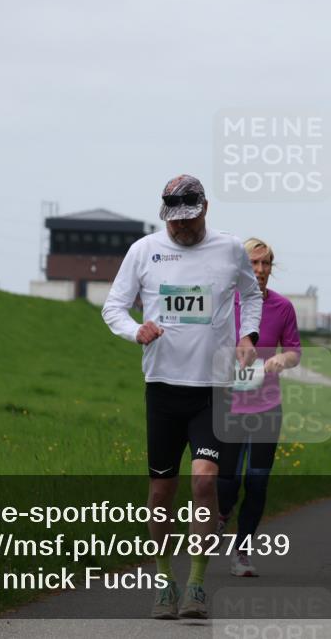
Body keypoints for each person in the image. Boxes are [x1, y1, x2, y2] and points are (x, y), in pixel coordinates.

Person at [101, 174, 262, 620]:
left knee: (205, 481)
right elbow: (113, 307)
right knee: (161, 491)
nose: (180, 227)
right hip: (163, 386)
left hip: (213, 386)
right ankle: (163, 581)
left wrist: (248, 335)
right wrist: (136, 330)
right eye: (173, 221)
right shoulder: (144, 250)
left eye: (188, 219)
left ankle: (196, 583)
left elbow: (251, 295)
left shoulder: (230, 249)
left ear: (205, 209)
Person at [217, 238, 300, 577]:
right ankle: (222, 514)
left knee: (257, 481)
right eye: (254, 263)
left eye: (266, 263)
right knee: (227, 481)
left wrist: (282, 359)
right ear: (242, 266)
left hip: (266, 405)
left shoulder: (282, 307)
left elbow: (294, 351)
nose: (261, 270)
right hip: (228, 404)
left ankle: (242, 552)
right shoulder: (225, 302)